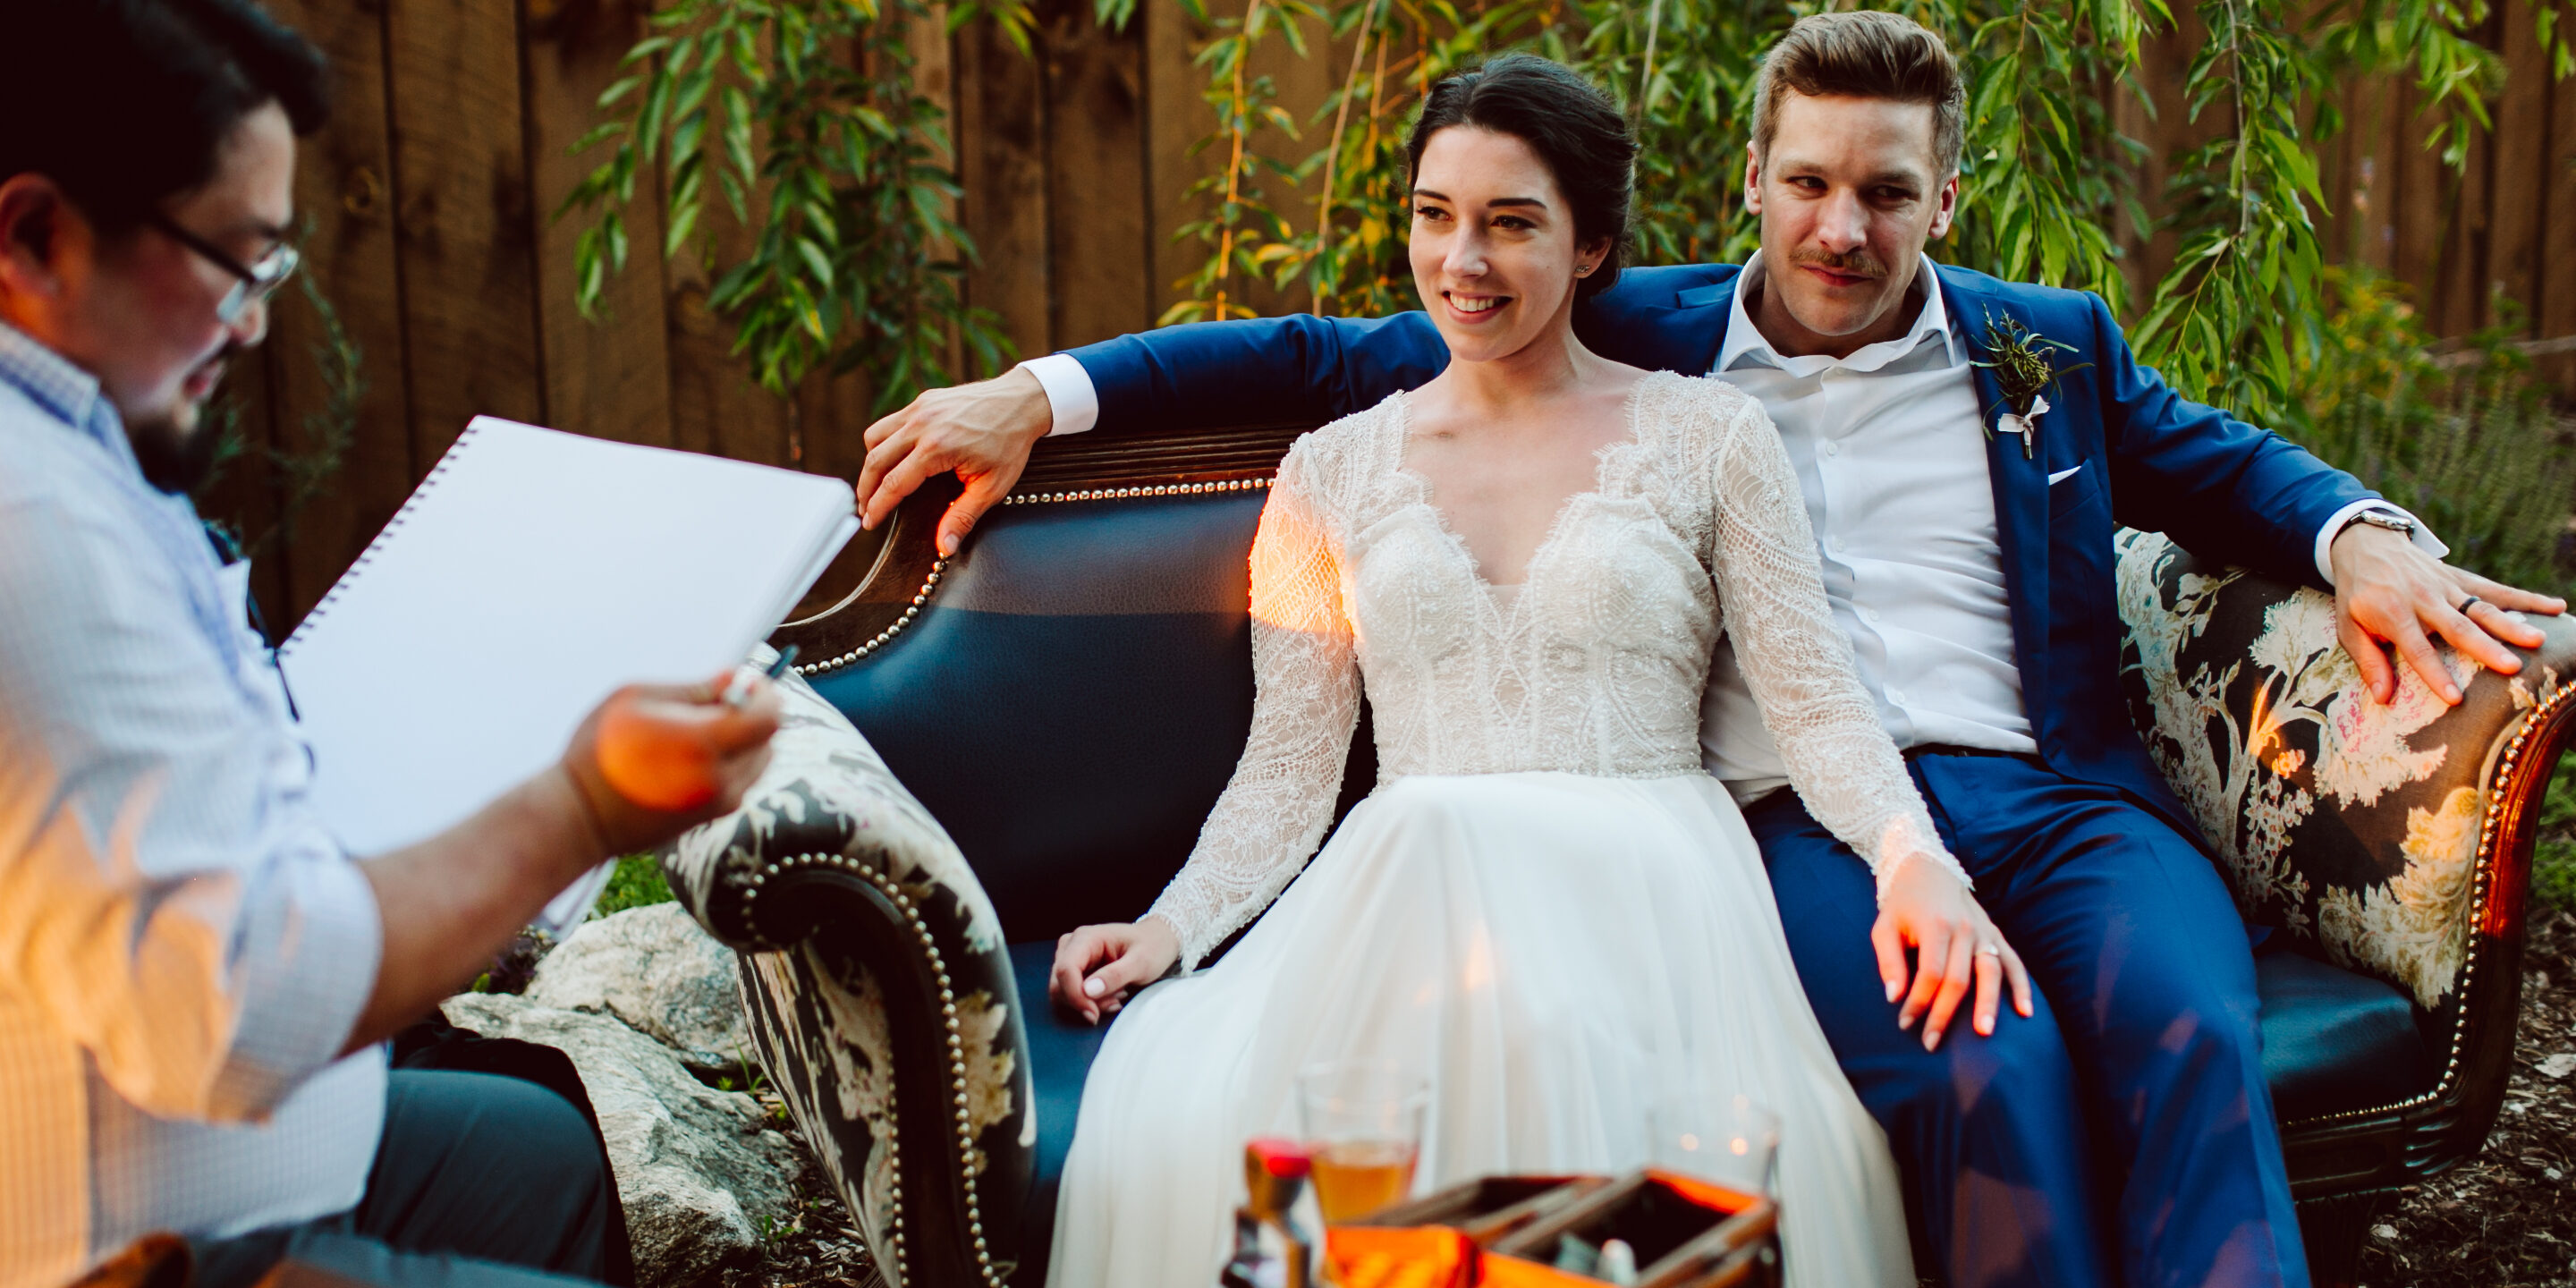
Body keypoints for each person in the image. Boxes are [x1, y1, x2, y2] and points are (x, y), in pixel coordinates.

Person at [854, 13, 2567, 1288]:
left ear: (1943, 199)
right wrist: (1044, 392)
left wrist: (2366, 540)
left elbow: (2222, 461)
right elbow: (1308, 367)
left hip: (2041, 801)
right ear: (1749, 185)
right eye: (1806, 182)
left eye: (1884, 192)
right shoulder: (1607, 336)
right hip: (1784, 825)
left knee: (2187, 1029)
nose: (1840, 227)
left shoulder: (2043, 350)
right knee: (1984, 1069)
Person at [1035, 54, 1988, 1288]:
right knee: (1322, 1210)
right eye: (1435, 216)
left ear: (1591, 246)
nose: (1462, 263)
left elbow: (1814, 702)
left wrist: (1918, 863)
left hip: (1648, 901)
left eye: (1510, 224)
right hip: (1408, 899)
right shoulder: (1331, 473)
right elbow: (1287, 772)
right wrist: (1167, 929)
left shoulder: (1711, 436)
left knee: (1658, 1222)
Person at [0, 4, 782, 1287]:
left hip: (251, 1143)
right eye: (236, 262)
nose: (254, 325)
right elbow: (233, 1016)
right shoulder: (33, 531)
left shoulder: (70, 447)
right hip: (138, 1240)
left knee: (545, 1159)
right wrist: (584, 803)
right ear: (35, 236)